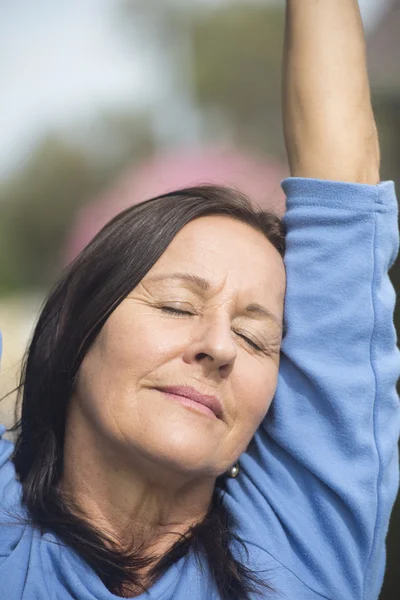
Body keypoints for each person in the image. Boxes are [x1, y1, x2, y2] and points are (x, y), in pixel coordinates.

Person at [0, 1, 399, 599]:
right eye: (177, 306)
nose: (219, 346)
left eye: (255, 337)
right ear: (76, 332)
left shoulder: (304, 552)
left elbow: (343, 189)